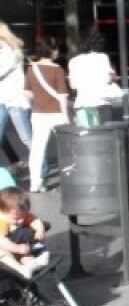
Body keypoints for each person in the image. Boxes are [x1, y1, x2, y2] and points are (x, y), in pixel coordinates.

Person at [25, 41, 70, 193]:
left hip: (38, 113)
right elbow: (63, 95)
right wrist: (66, 116)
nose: (57, 52)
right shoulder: (57, 69)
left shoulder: (32, 69)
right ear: (51, 51)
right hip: (57, 113)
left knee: (37, 149)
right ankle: (71, 178)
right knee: (67, 148)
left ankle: (35, 183)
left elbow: (28, 93)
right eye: (56, 49)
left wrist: (36, 103)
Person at [68, 28, 117, 126]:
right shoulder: (103, 57)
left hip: (82, 104)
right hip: (101, 103)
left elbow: (73, 85)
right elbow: (108, 79)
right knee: (104, 136)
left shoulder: (74, 61)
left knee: (87, 138)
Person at [0, 188, 49, 279]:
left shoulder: (18, 214)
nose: (21, 220)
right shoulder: (1, 221)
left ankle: (32, 264)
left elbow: (34, 220)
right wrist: (17, 248)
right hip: (6, 250)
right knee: (3, 255)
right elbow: (2, 241)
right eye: (16, 218)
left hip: (18, 248)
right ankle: (19, 270)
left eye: (23, 216)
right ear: (1, 212)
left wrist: (39, 230)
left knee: (26, 252)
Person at [0, 22, 32, 161]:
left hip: (14, 98)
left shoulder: (10, 50)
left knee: (26, 136)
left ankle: (42, 167)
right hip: (2, 97)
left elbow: (2, 70)